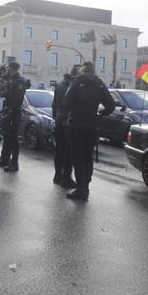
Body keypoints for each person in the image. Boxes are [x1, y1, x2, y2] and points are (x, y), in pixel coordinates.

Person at [61, 62, 115, 200]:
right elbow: (111, 105)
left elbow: (66, 102)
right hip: (92, 125)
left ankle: (82, 188)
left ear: (82, 70)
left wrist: (65, 117)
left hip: (77, 125)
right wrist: (100, 114)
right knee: (87, 157)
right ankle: (86, 185)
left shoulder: (77, 81)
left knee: (78, 157)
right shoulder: (99, 83)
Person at [0, 61, 30, 172]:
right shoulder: (10, 80)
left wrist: (9, 107)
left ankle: (14, 163)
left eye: (8, 68)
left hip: (14, 112)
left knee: (13, 138)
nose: (7, 70)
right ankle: (5, 159)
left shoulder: (19, 81)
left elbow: (16, 98)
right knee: (7, 136)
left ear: (13, 69)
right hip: (8, 110)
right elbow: (6, 93)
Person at [52, 65, 80, 188]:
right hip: (68, 121)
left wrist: (56, 118)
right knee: (69, 151)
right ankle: (66, 178)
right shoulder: (73, 85)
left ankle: (58, 175)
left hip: (59, 119)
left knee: (59, 150)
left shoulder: (59, 84)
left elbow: (54, 105)